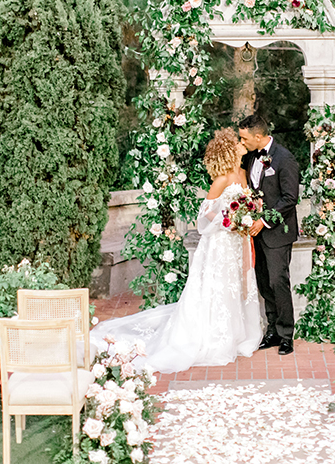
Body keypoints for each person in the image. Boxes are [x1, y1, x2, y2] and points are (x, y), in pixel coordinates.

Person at [89, 128, 261, 372]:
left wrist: (249, 214)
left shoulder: (243, 173)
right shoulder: (221, 179)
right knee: (219, 286)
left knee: (236, 284)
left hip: (238, 242)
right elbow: (206, 213)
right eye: (238, 142)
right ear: (230, 149)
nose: (243, 145)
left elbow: (249, 201)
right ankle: (214, 338)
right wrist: (228, 220)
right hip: (221, 242)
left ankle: (236, 335)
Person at [238, 114, 300, 356]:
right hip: (255, 234)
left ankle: (286, 336)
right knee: (264, 283)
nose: (241, 142)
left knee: (278, 282)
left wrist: (263, 221)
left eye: (244, 138)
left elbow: (289, 199)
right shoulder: (251, 155)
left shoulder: (285, 158)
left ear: (258, 136)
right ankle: (272, 331)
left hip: (277, 233)